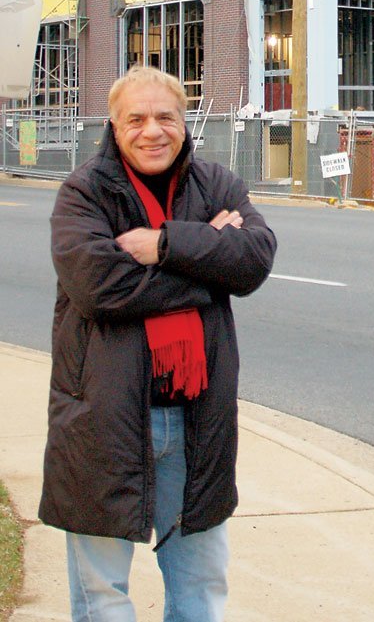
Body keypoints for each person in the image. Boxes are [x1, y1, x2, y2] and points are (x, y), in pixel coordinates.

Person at [38, 65, 277, 622]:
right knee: (102, 597)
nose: (153, 131)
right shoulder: (83, 194)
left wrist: (165, 242)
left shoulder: (217, 184)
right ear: (114, 128)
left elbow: (255, 259)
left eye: (165, 117)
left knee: (200, 588)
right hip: (104, 418)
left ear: (184, 121)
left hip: (198, 419)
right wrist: (207, 259)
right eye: (136, 119)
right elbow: (102, 288)